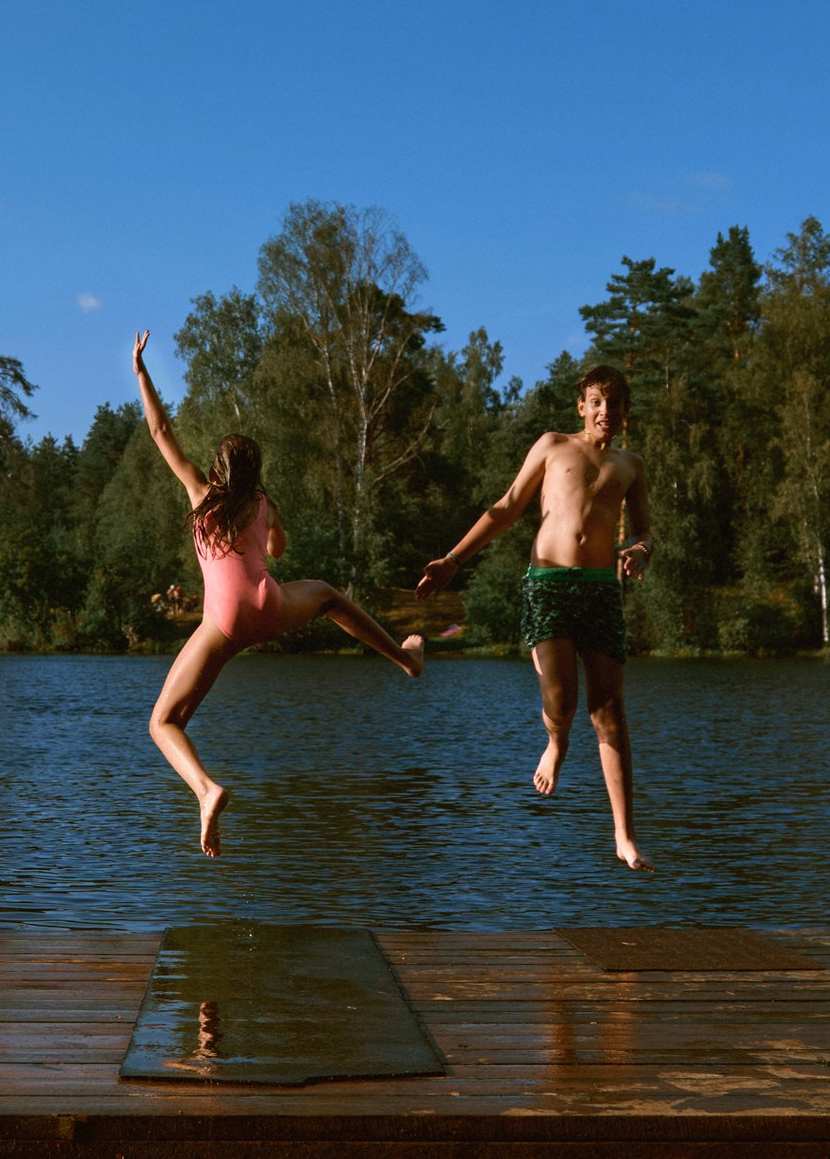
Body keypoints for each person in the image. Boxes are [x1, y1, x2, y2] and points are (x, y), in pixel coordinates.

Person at [133, 331, 424, 857]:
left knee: (163, 722)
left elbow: (159, 429)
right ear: (256, 473)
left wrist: (140, 372)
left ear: (218, 470)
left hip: (223, 622)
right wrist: (272, 524)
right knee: (329, 595)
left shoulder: (201, 496)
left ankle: (206, 789)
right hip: (270, 604)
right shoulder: (265, 502)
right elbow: (280, 549)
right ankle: (404, 659)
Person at [418, 365, 653, 871]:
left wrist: (640, 550)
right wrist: (453, 560)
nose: (604, 412)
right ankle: (556, 742)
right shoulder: (552, 446)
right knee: (561, 700)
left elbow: (645, 533)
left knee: (609, 712)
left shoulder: (631, 465)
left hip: (599, 592)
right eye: (596, 401)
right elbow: (505, 508)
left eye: (614, 404)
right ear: (581, 406)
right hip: (547, 585)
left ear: (624, 411)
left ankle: (624, 835)